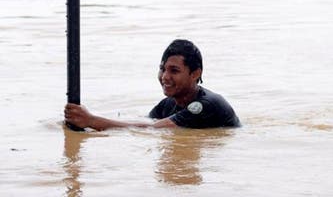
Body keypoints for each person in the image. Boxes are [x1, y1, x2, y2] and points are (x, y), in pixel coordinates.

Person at [64, 39, 240, 130]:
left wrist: (92, 120)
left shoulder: (204, 105)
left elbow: (152, 130)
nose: (165, 77)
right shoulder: (169, 104)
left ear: (195, 73)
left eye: (174, 71)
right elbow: (138, 126)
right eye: (162, 69)